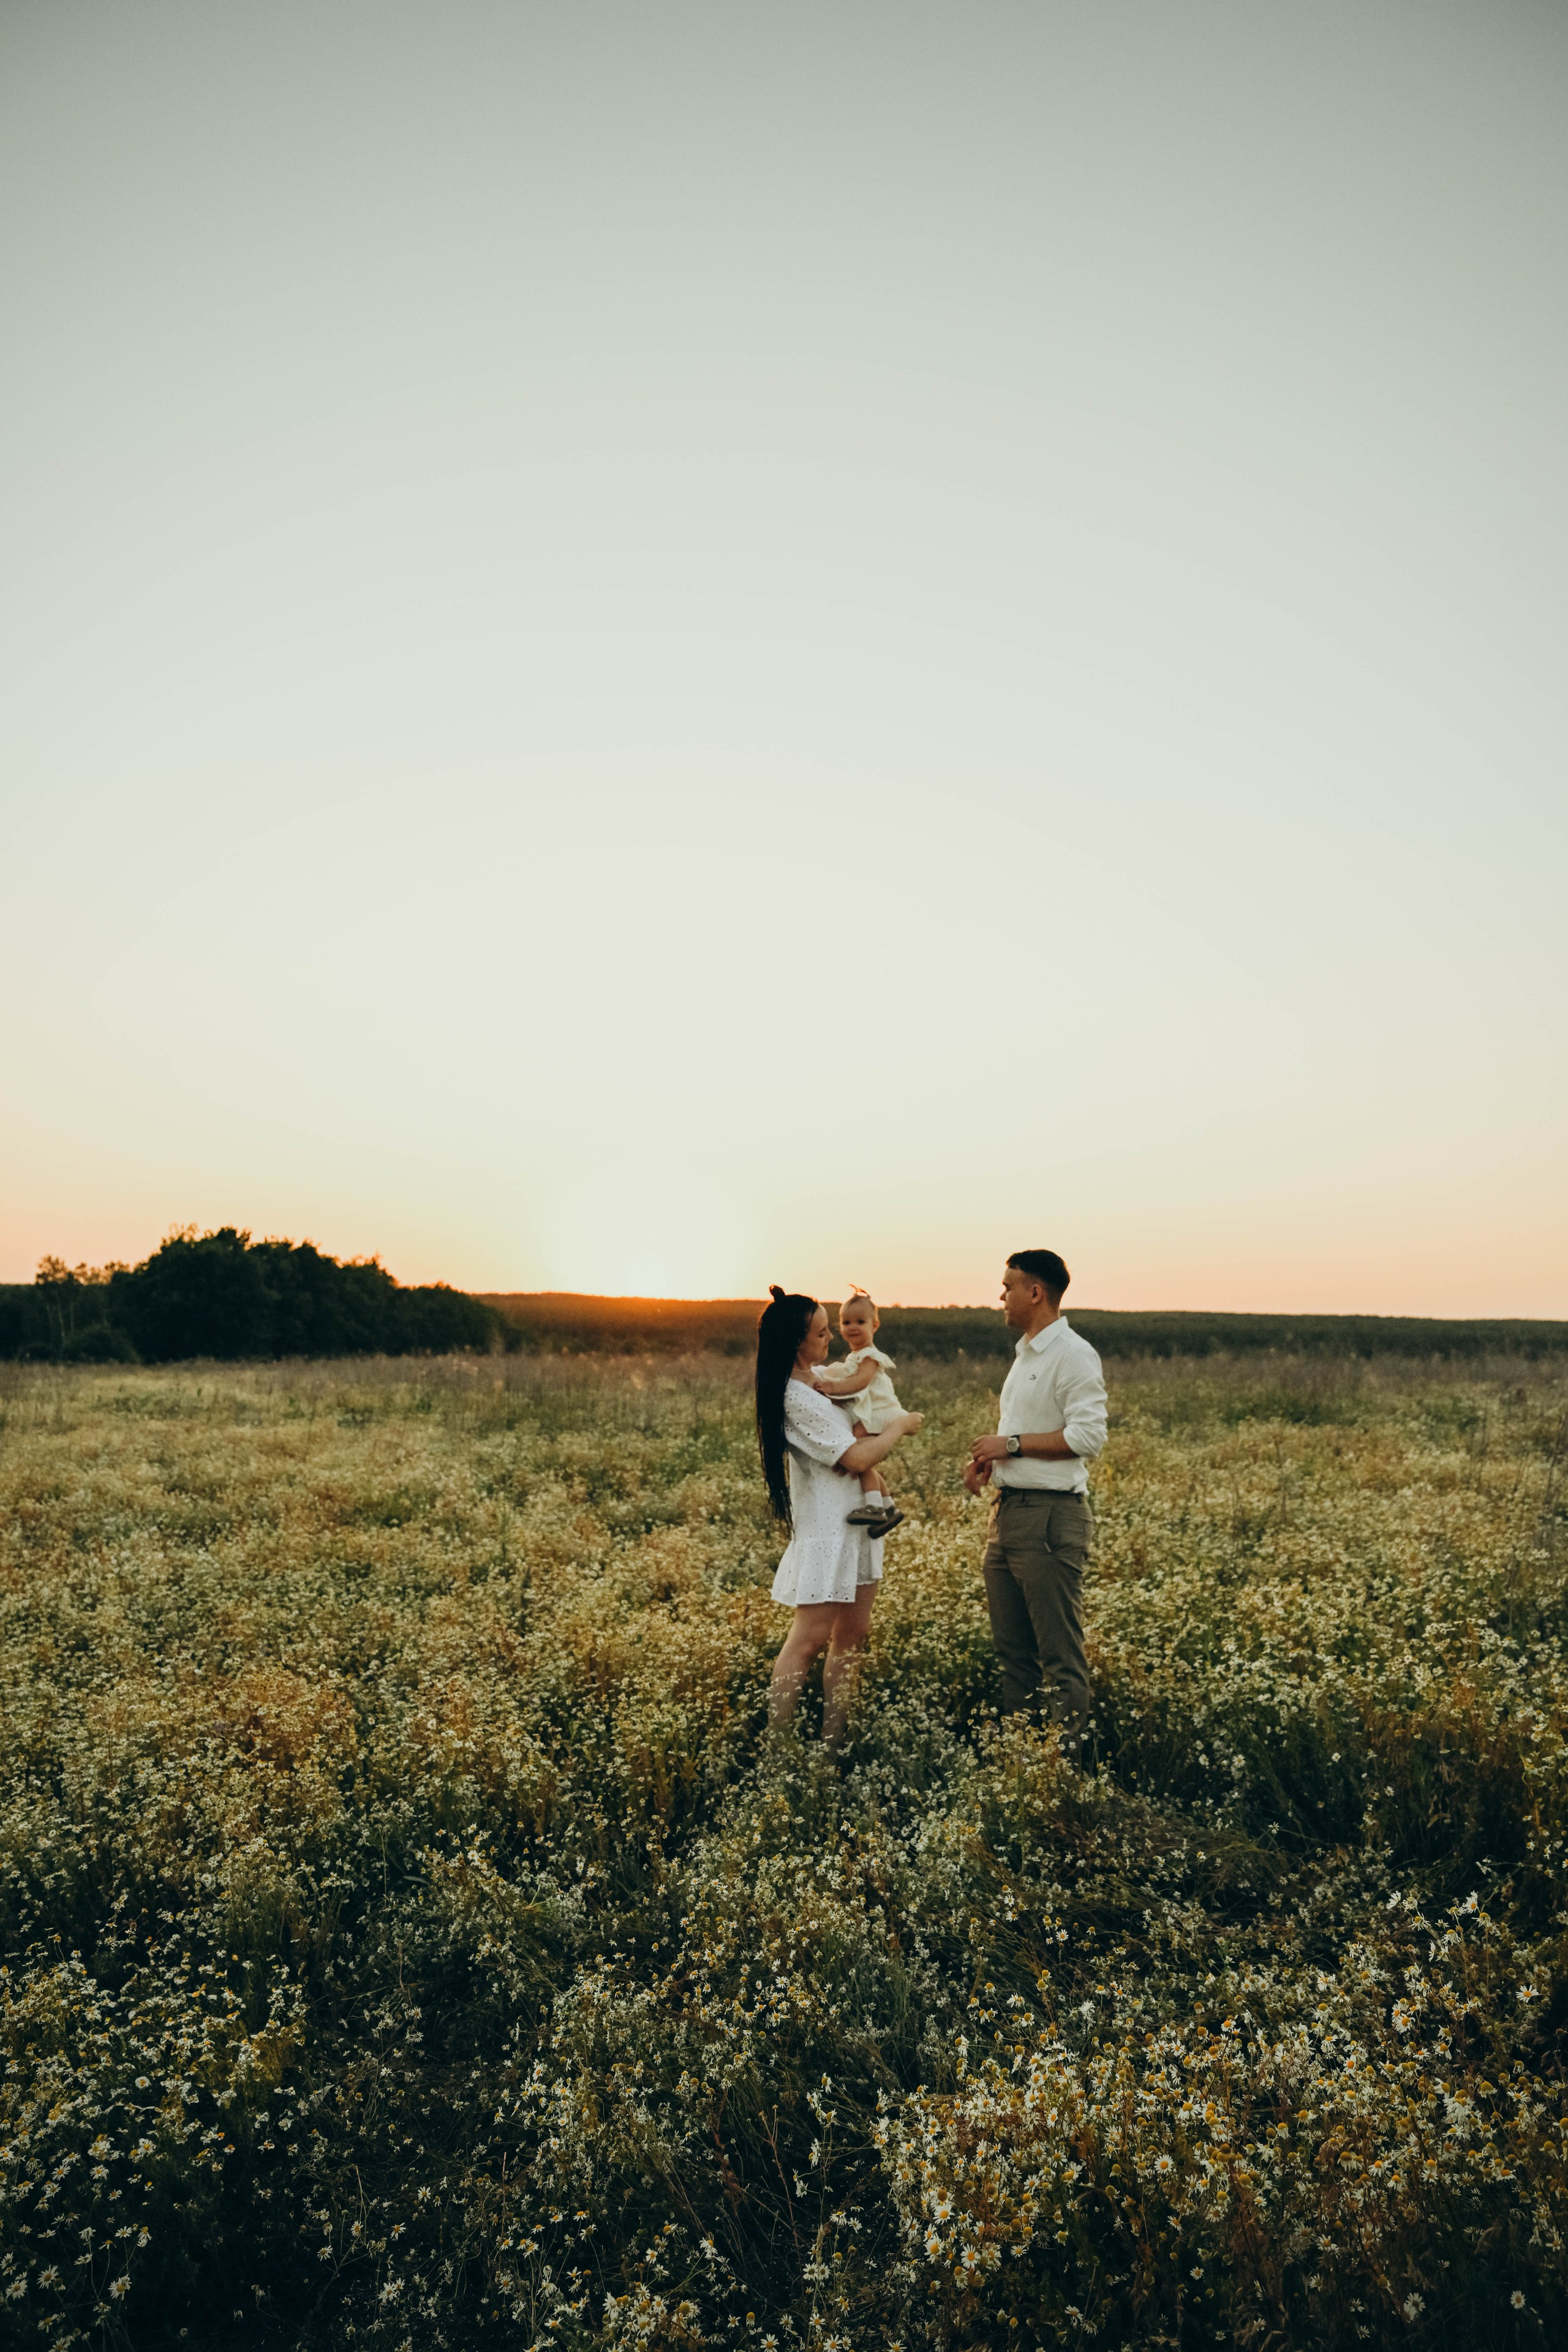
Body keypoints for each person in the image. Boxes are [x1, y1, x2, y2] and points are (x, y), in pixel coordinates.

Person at [756, 1286, 924, 1746]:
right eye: (821, 1332)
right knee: (807, 1642)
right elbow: (854, 1458)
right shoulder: (794, 1397)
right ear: (796, 1341)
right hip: (829, 1532)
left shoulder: (819, 1382)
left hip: (860, 1529)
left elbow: (857, 1397)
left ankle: (833, 1748)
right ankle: (778, 1751)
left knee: (852, 1640)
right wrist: (899, 1426)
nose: (831, 1338)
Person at [964, 1249, 1108, 1743]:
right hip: (1008, 1515)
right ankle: (1021, 1768)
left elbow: (1088, 1437)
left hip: (1049, 1521)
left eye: (1008, 1287)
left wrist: (1009, 1445)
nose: (1001, 1296)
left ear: (1036, 1292)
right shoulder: (1027, 1355)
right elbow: (1026, 1434)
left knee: (1059, 1657)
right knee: (1014, 1656)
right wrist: (992, 1460)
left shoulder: (1073, 1354)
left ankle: (1065, 1777)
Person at [809, 1288, 910, 1534]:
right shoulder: (854, 1357)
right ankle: (889, 1509)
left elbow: (860, 1383)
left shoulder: (870, 1356)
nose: (852, 1327)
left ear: (875, 1325)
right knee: (864, 1461)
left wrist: (833, 1387)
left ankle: (875, 1507)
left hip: (880, 1412)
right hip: (871, 1410)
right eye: (846, 1322)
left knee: (860, 1458)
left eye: (860, 1322)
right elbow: (855, 1392)